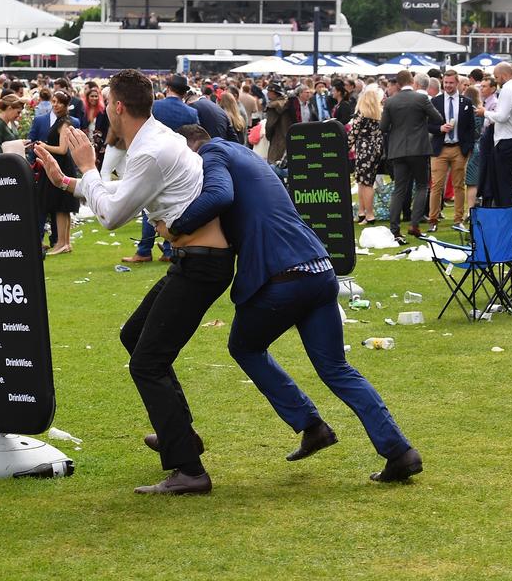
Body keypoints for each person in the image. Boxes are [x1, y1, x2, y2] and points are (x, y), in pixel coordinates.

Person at [163, 125, 423, 484]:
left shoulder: (212, 155)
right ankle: (400, 451)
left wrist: (177, 226)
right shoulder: (248, 156)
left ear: (190, 145)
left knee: (244, 346)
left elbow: (219, 196)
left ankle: (310, 424)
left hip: (284, 276)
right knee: (336, 368)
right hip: (319, 268)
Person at [34, 69, 233, 495]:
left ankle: (189, 469)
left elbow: (110, 217)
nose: (105, 109)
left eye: (107, 103)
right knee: (135, 335)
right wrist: (67, 180)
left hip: (202, 262)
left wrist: (86, 167)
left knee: (147, 361)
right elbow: (119, 199)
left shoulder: (150, 151)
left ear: (119, 107)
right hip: (192, 258)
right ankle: (181, 433)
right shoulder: (154, 139)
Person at [120, 75, 197, 265]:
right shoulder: (191, 112)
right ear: (184, 92)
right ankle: (169, 249)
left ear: (168, 87)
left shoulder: (157, 107)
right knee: (172, 209)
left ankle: (144, 250)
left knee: (150, 207)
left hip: (153, 158)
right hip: (178, 163)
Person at [379, 70, 444, 243]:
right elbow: (437, 118)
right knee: (422, 186)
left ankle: (395, 229)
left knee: (399, 189)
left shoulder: (391, 102)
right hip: (419, 149)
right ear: (412, 81)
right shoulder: (421, 99)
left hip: (398, 150)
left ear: (398, 84)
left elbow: (383, 127)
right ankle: (414, 224)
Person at [427, 69, 474, 232]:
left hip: (458, 149)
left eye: (451, 83)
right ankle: (433, 219)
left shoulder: (466, 102)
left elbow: (470, 128)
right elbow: (427, 125)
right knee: (436, 186)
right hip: (440, 149)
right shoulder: (435, 101)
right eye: (445, 83)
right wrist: (439, 128)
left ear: (457, 83)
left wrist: (467, 149)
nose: (447, 85)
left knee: (459, 185)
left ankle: (458, 219)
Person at [34, 91, 79, 255]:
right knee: (63, 207)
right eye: (53, 101)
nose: (55, 105)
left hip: (61, 166)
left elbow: (62, 149)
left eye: (59, 102)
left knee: (61, 206)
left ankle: (61, 243)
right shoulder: (61, 121)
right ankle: (64, 243)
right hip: (61, 165)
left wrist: (44, 146)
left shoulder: (64, 123)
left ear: (66, 105)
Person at [483, 63, 512, 206]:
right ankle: (510, 215)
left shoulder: (507, 89)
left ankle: (506, 217)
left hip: (506, 140)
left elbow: (502, 117)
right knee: (511, 182)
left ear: (504, 75)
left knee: (503, 184)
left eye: (496, 77)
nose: (496, 81)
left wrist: (484, 113)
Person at [348, 84, 385, 224]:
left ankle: (369, 214)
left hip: (364, 151)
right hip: (375, 150)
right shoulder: (379, 114)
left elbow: (353, 134)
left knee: (365, 183)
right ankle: (362, 212)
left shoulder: (361, 114)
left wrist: (344, 147)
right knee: (363, 181)